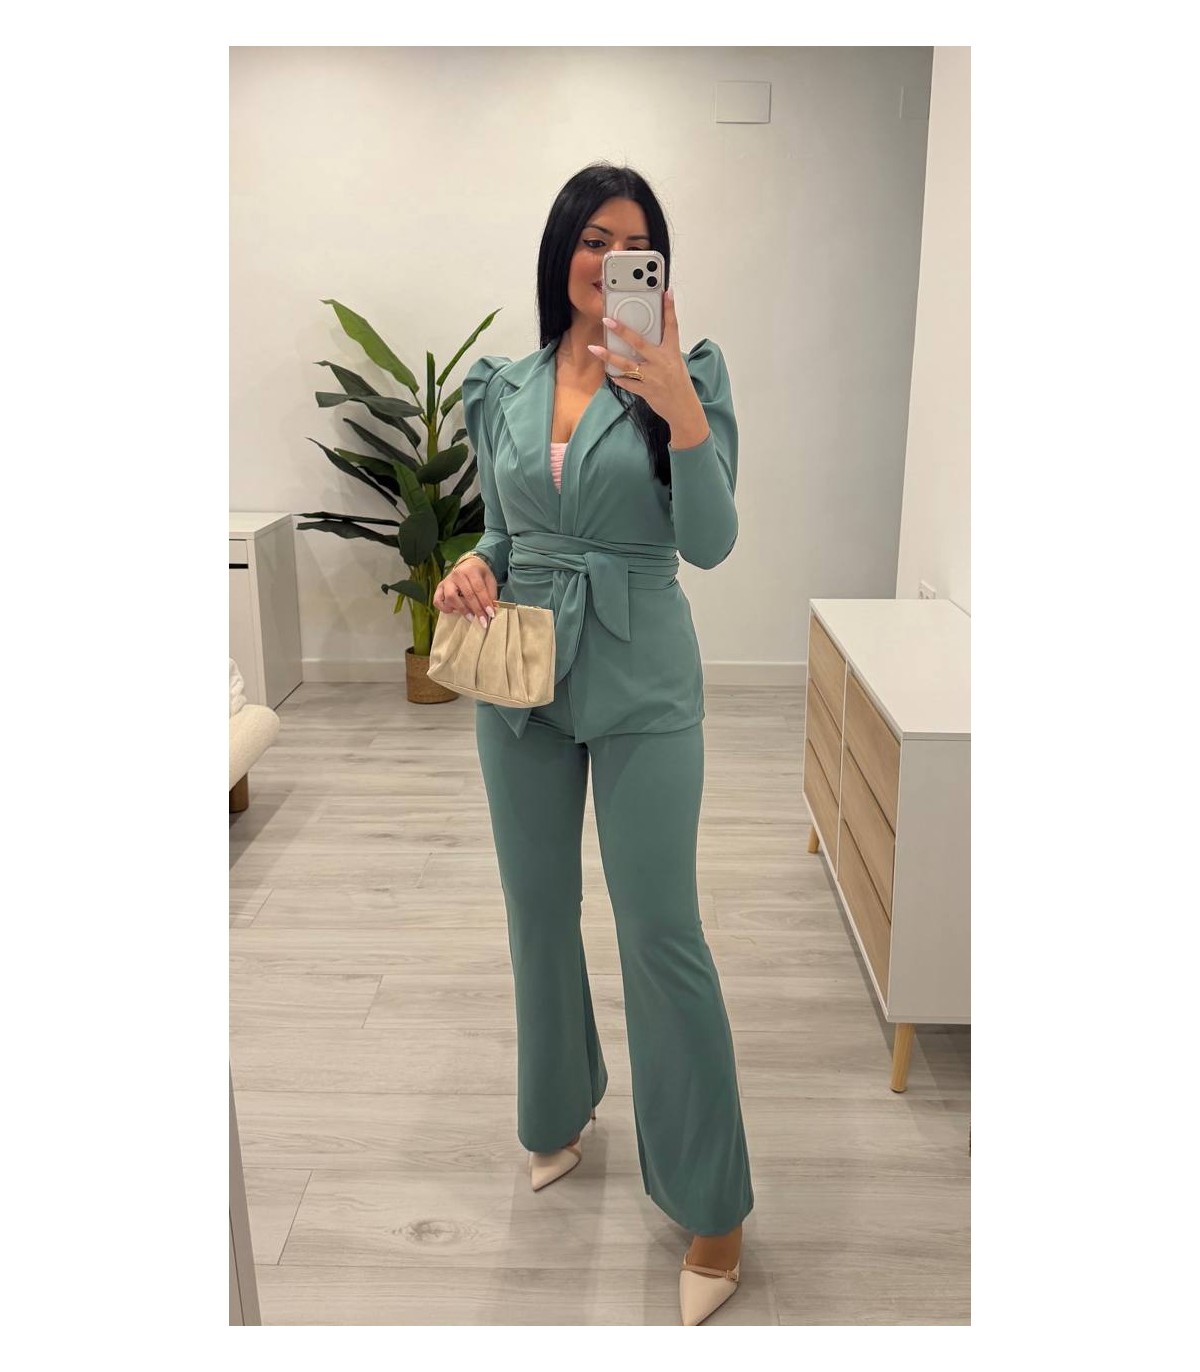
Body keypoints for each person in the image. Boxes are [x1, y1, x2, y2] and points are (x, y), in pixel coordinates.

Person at [432, 163, 753, 1327]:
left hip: (641, 676)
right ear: (561, 249)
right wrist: (473, 568)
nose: (609, 258)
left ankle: (712, 1205)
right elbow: (507, 532)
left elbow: (709, 543)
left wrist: (679, 404)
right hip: (520, 674)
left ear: (655, 267)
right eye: (592, 237)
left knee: (661, 931)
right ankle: (559, 1108)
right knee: (537, 910)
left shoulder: (688, 372)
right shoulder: (506, 386)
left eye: (633, 243)